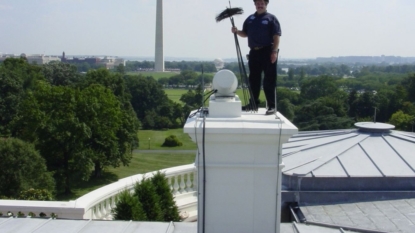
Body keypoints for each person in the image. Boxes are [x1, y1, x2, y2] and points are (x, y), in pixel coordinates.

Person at [231, 0, 281, 115]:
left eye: (262, 3)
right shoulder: (250, 19)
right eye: (258, 3)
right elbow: (245, 33)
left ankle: (272, 106)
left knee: (269, 80)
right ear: (255, 5)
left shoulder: (271, 18)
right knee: (253, 80)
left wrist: (274, 51)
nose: (260, 5)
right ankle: (253, 104)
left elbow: (276, 36)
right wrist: (236, 31)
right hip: (254, 52)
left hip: (268, 51)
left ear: (266, 4)